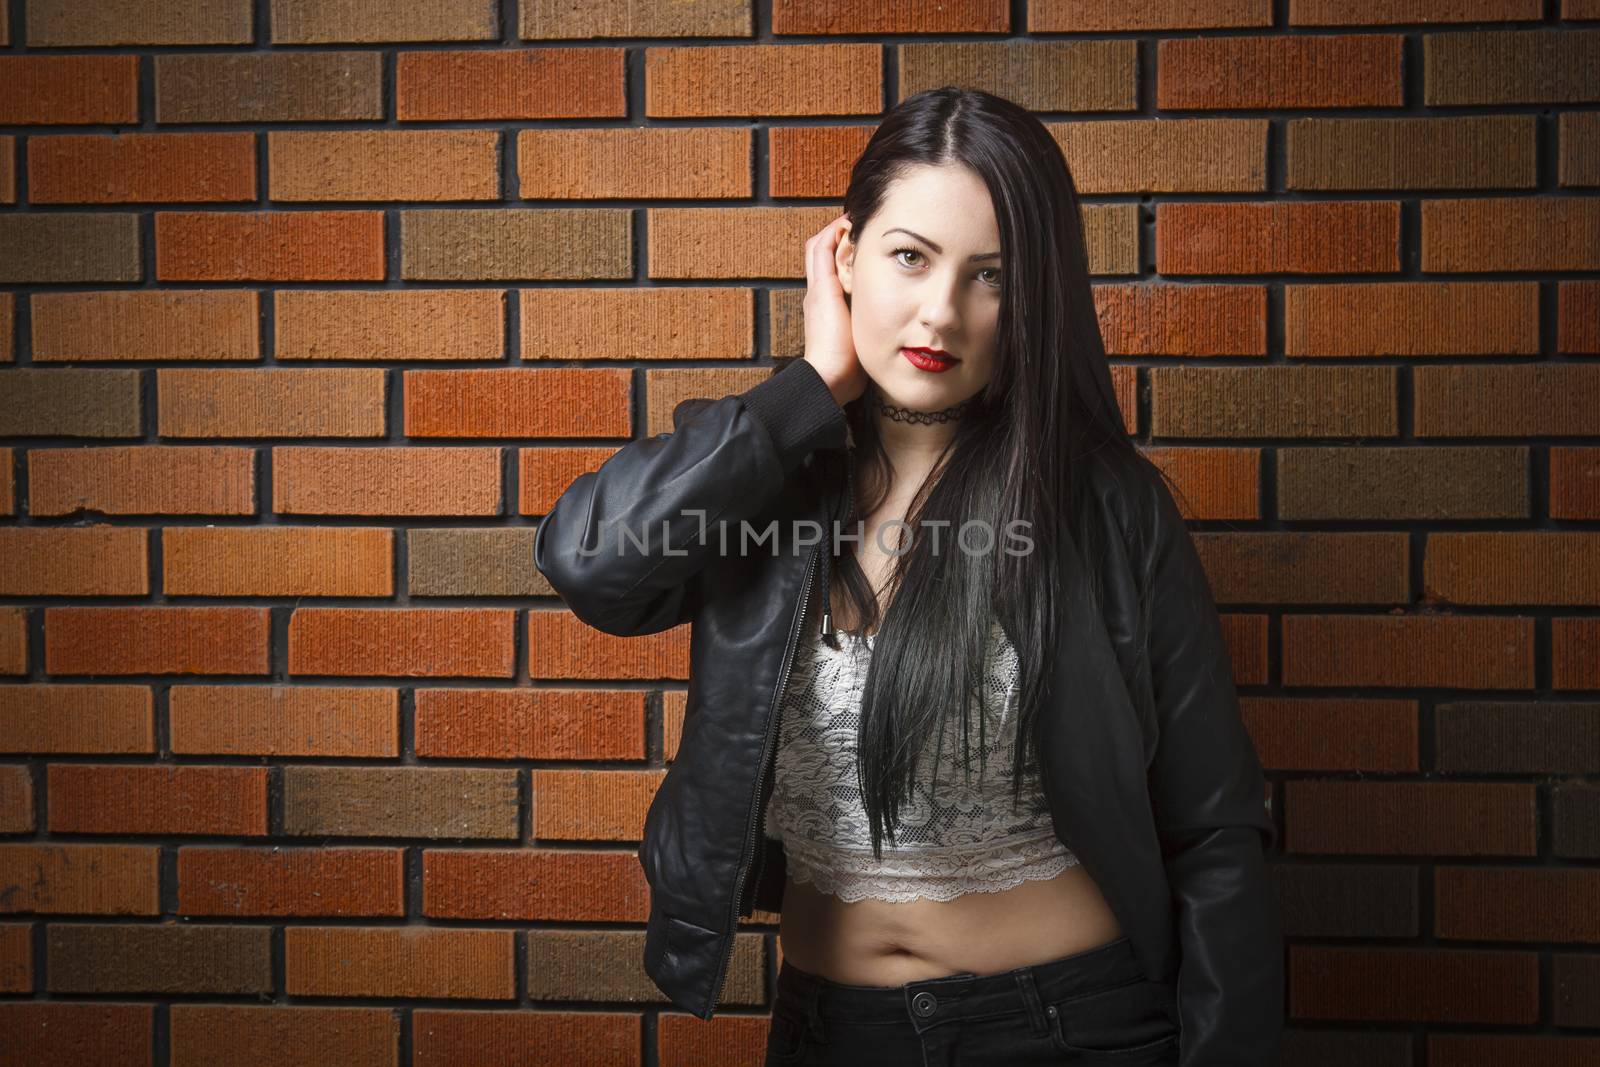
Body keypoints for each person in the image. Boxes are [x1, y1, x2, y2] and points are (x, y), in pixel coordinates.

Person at [534, 87, 1281, 1066]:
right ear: (844, 258)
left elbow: (1214, 827)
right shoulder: (762, 472)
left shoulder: (1106, 508)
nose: (941, 311)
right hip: (828, 1031)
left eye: (991, 277)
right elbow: (591, 563)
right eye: (909, 257)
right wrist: (807, 388)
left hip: (1069, 1029)